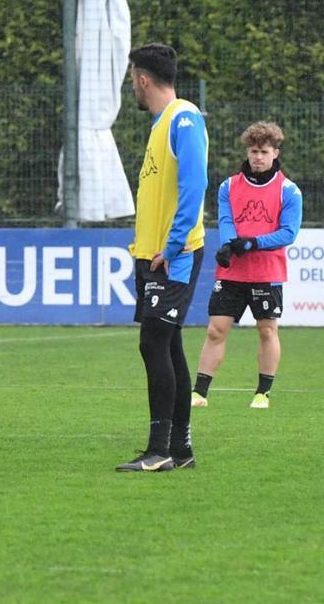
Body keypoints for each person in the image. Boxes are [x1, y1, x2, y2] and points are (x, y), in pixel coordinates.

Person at [117, 43, 208, 473]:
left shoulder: (183, 118)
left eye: (132, 77)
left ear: (143, 79)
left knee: (153, 343)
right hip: (153, 256)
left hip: (173, 256)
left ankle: (160, 450)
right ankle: (180, 449)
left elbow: (194, 187)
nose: (131, 85)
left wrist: (171, 247)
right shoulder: (160, 125)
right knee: (167, 344)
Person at [194, 122, 302, 409]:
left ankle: (262, 393)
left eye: (263, 152)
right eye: (253, 151)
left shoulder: (289, 191)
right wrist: (230, 244)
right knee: (215, 330)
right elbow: (226, 220)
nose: (257, 157)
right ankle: (200, 393)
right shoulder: (228, 186)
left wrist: (251, 243)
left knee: (267, 330)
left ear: (275, 153)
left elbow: (288, 233)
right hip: (233, 271)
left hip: (267, 272)